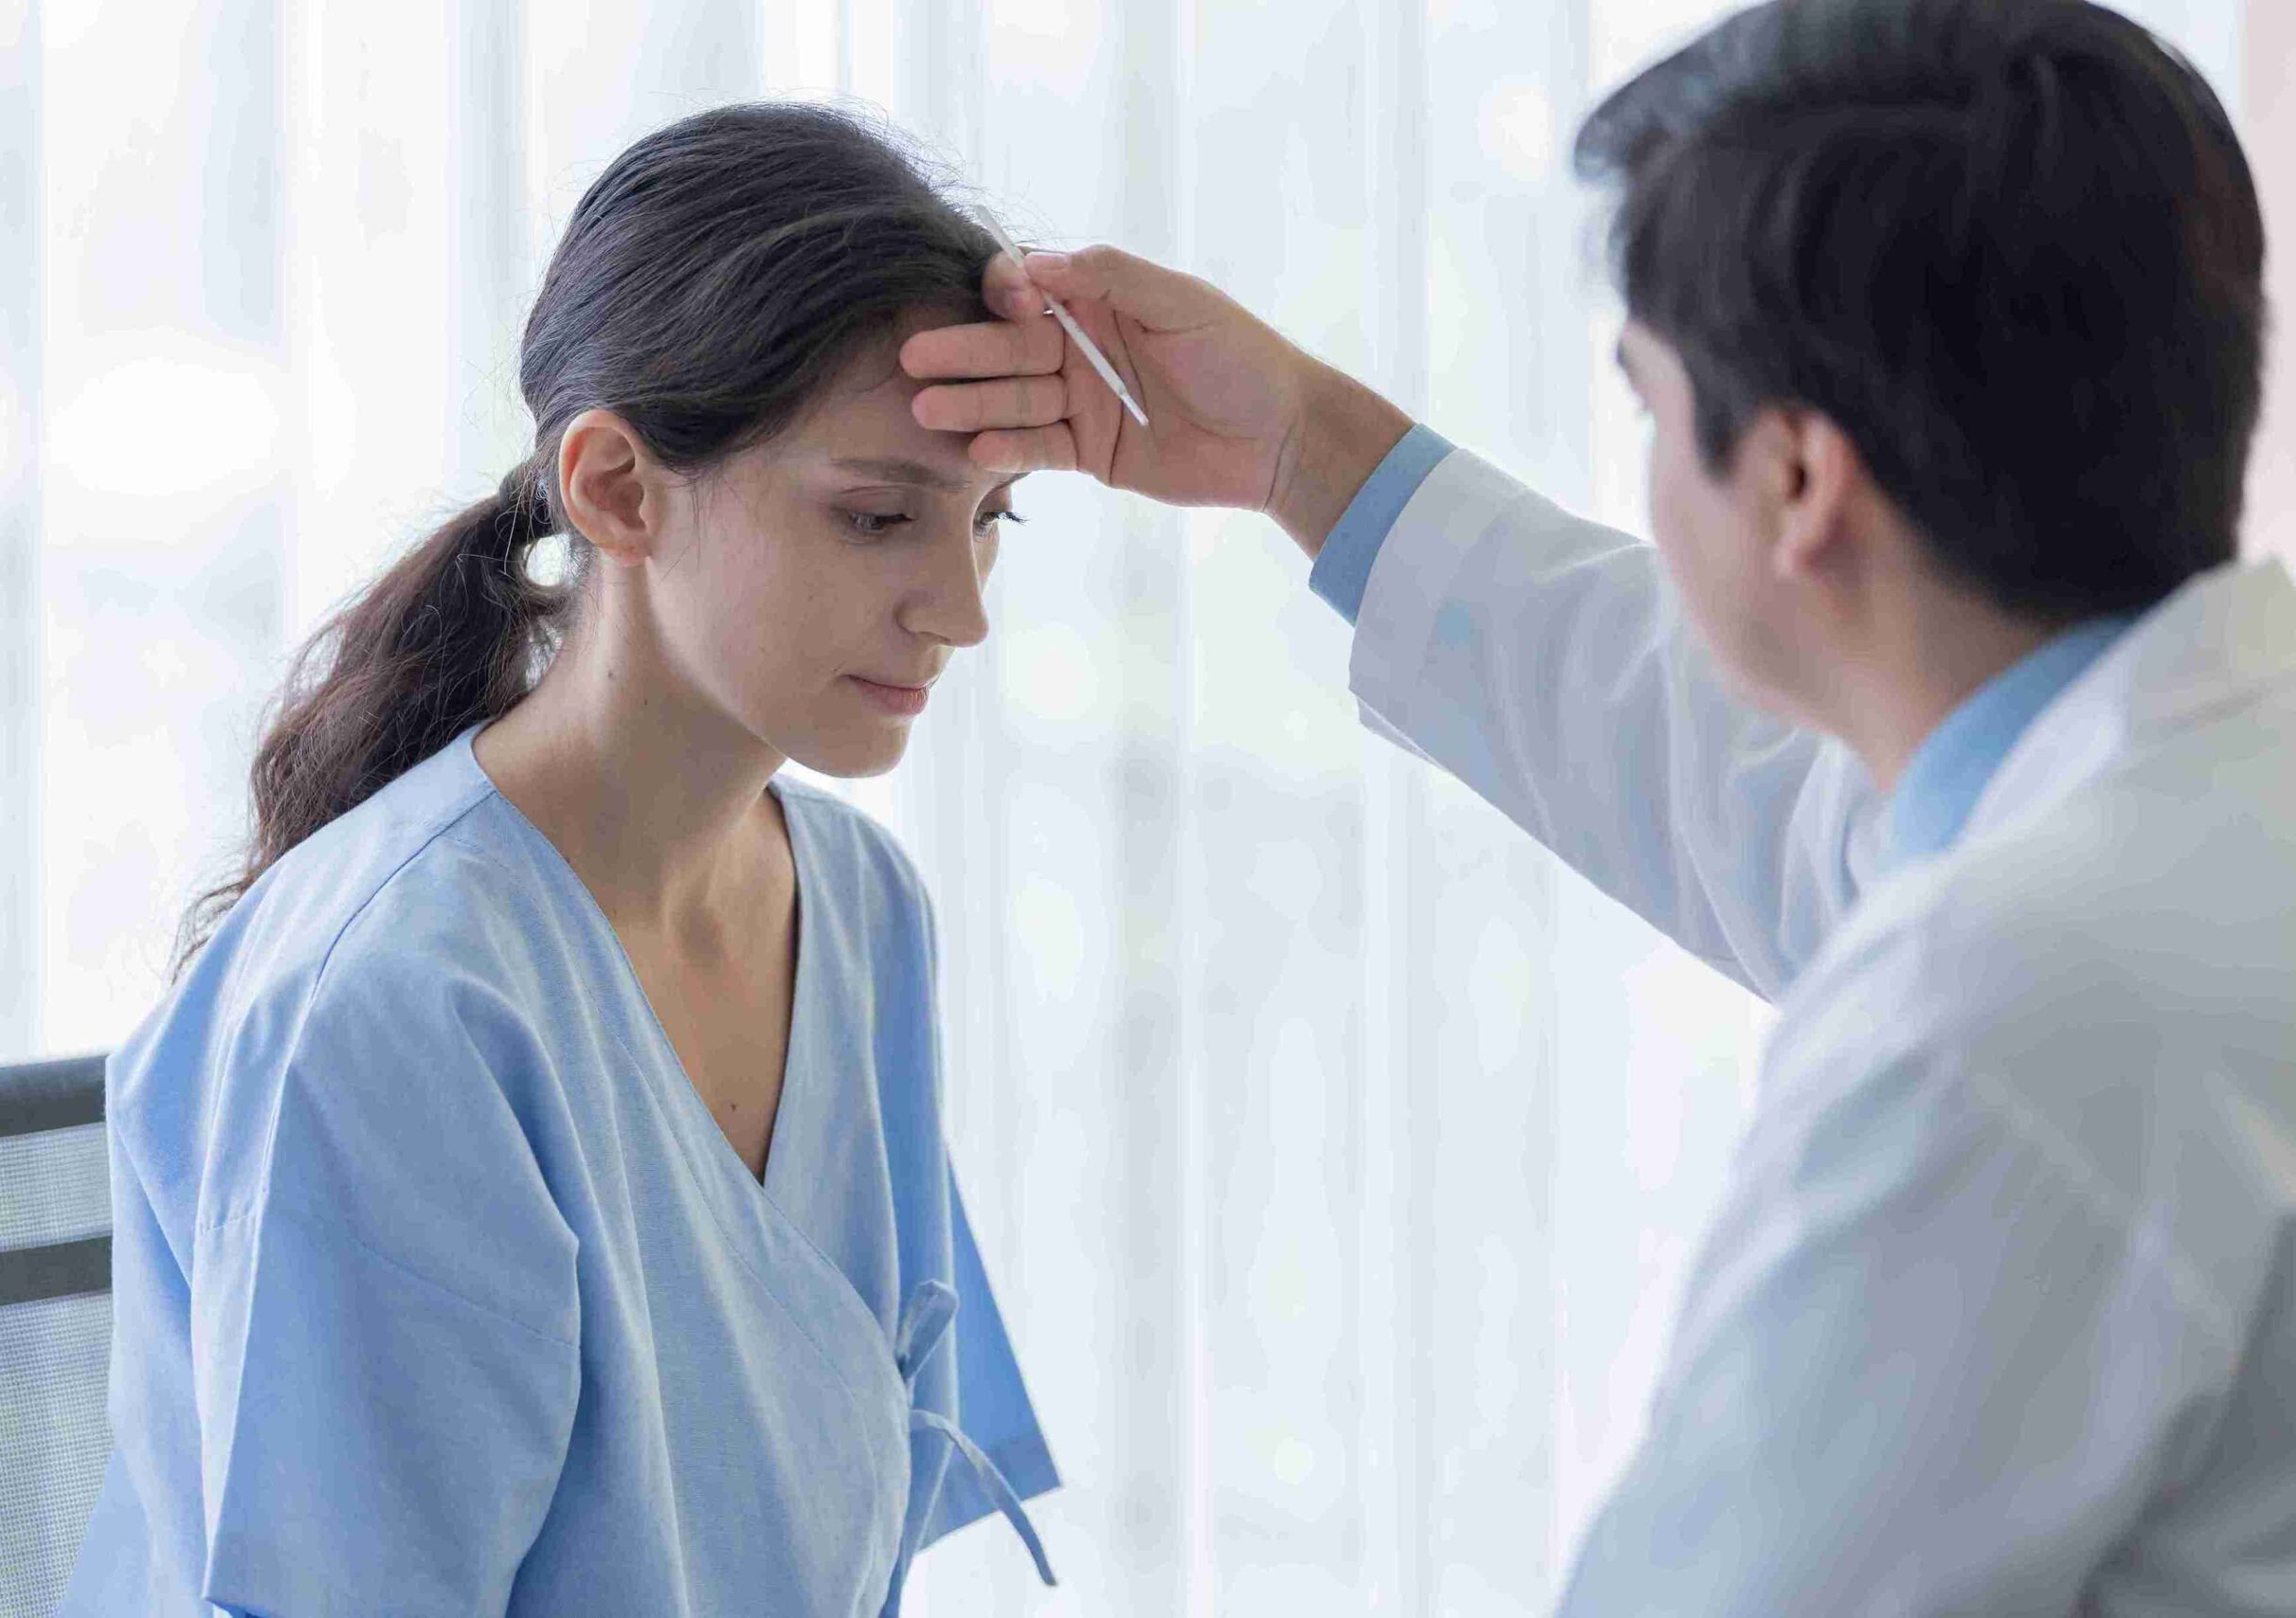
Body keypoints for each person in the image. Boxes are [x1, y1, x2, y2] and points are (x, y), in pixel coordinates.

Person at [902, 0, 2296, 1610]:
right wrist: (1298, 449)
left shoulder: (2004, 1021)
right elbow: (1764, 783)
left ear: (1794, 482)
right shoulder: (2175, 792)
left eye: (1646, 404)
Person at [58, 102, 1058, 1617]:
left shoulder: (862, 910)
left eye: (990, 520)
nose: (961, 608)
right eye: (876, 517)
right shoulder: (401, 1000)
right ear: (614, 488)